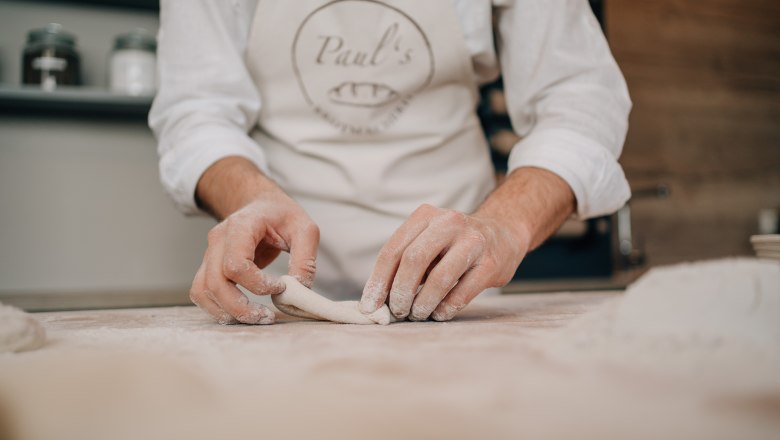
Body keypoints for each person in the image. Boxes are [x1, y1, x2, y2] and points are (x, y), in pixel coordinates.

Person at [149, 0, 631, 325]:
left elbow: (580, 98)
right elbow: (196, 110)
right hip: (272, 295)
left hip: (456, 296)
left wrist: (504, 224)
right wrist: (252, 198)